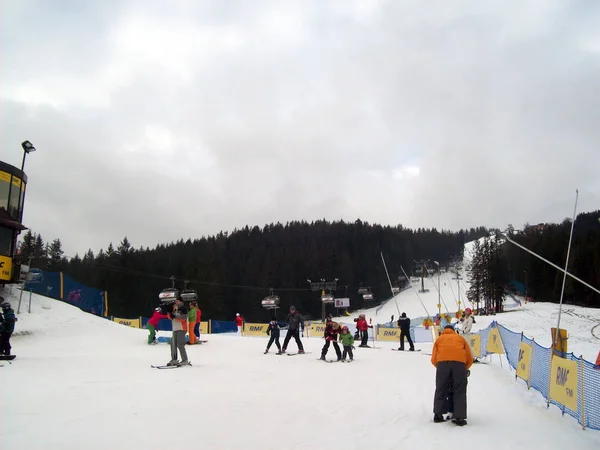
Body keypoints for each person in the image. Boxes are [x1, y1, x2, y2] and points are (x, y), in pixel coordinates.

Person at [430, 324, 473, 426]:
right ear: (453, 331)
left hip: (442, 364)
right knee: (459, 389)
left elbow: (433, 359)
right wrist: (464, 369)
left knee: (441, 388)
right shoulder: (460, 338)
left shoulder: (439, 339)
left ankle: (438, 415)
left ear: (444, 331)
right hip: (459, 365)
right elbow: (470, 358)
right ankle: (459, 417)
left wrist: (440, 367)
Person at [167, 299, 189, 366]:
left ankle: (185, 360)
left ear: (181, 302)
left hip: (182, 328)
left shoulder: (184, 309)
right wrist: (169, 313)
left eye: (178, 301)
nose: (176, 303)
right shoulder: (174, 309)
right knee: (173, 344)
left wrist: (175, 316)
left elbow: (183, 318)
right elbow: (170, 318)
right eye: (175, 301)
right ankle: (174, 359)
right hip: (175, 328)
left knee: (180, 344)